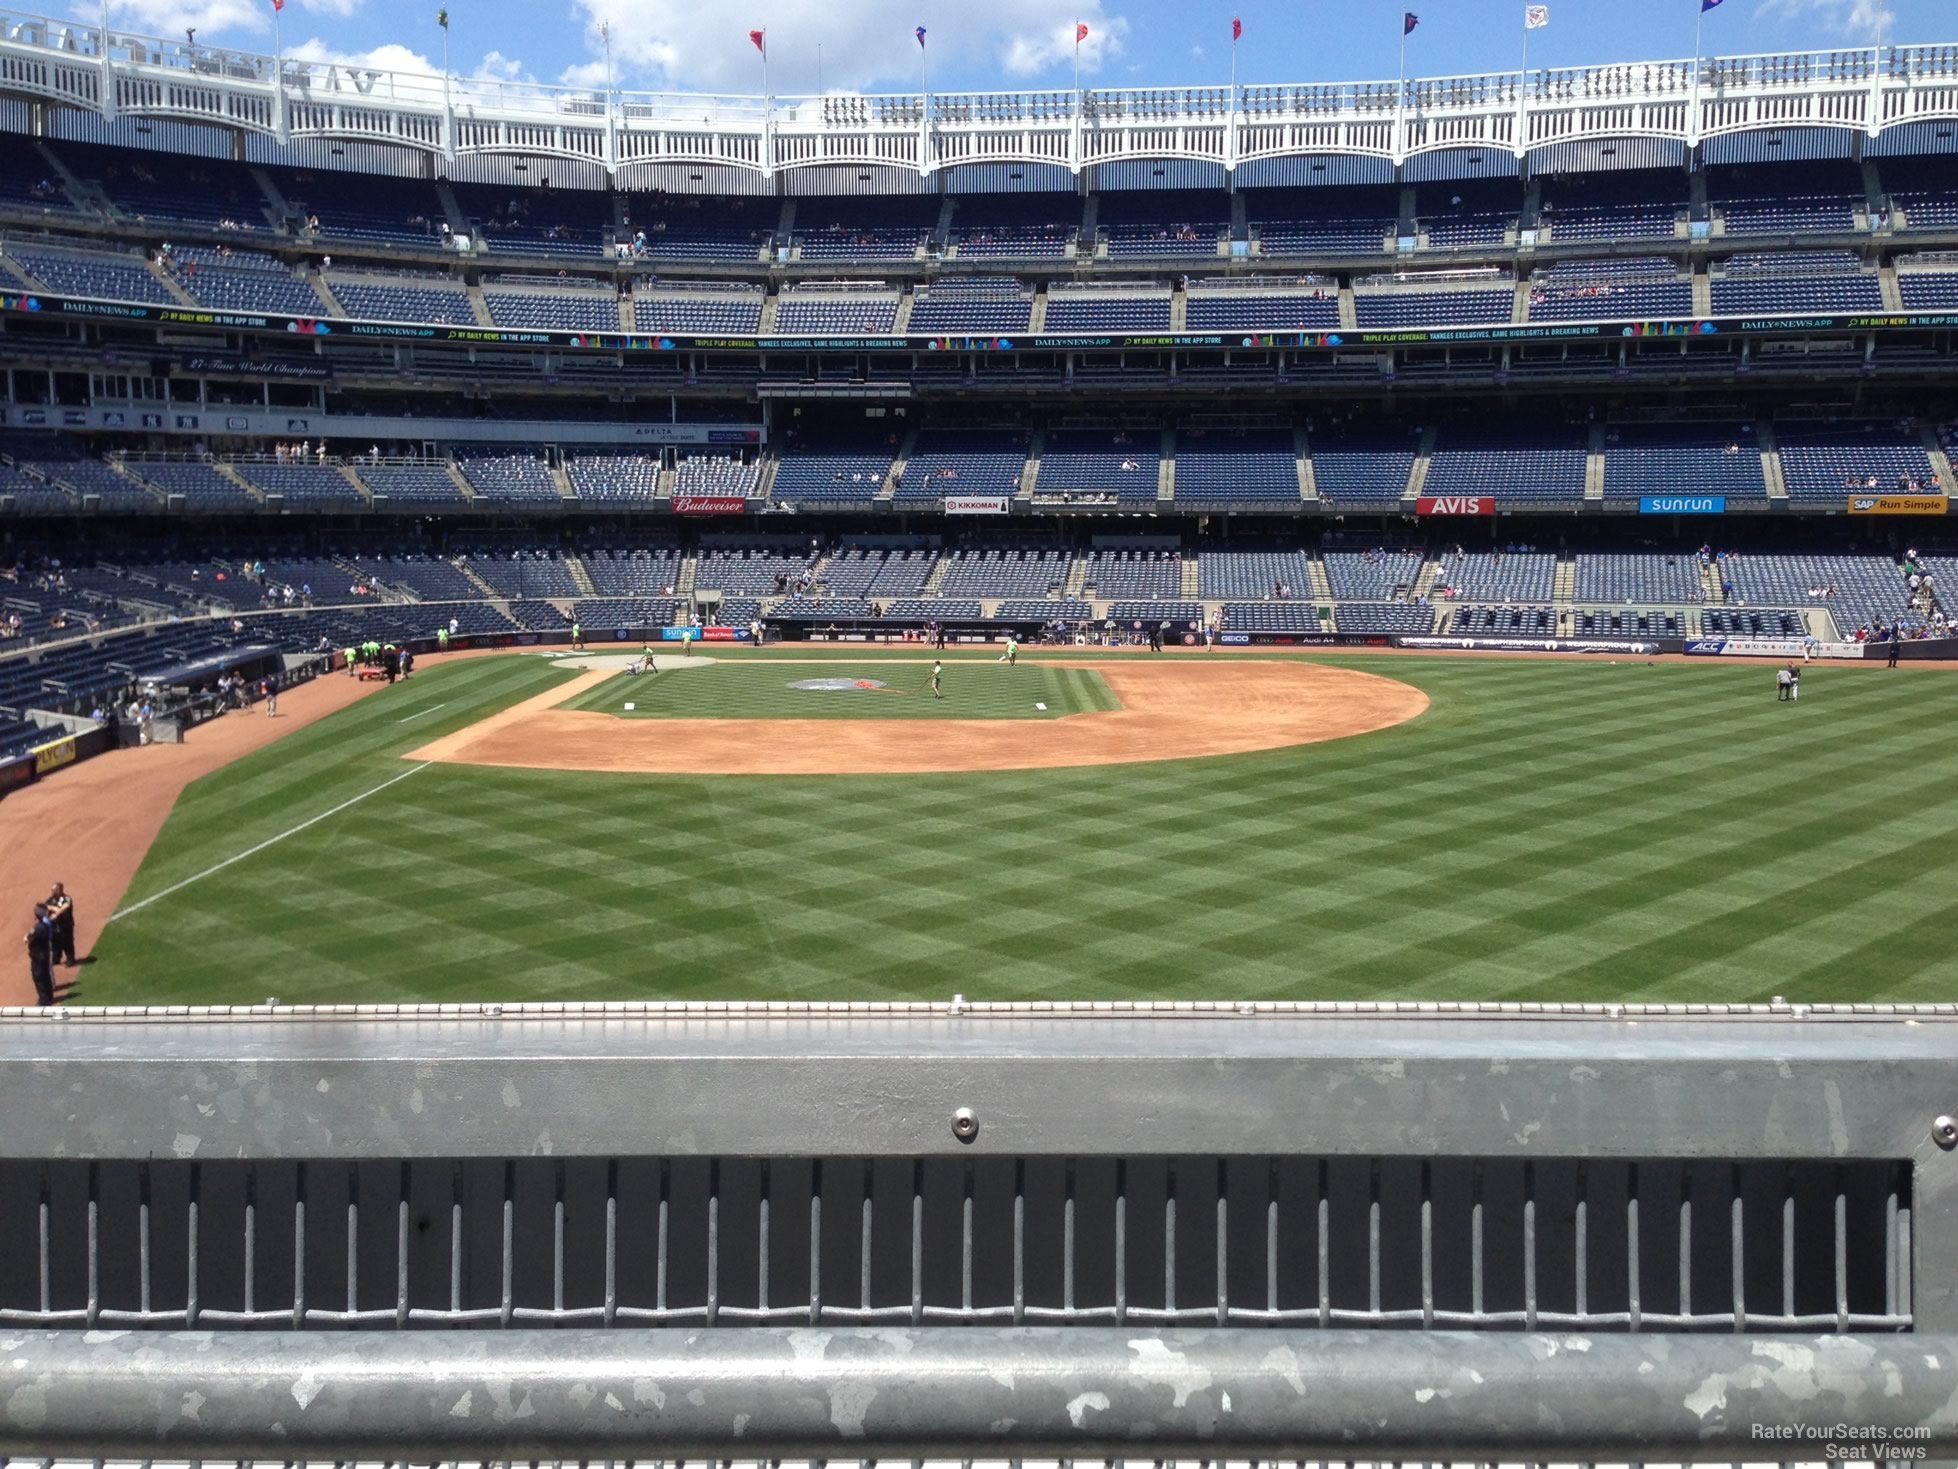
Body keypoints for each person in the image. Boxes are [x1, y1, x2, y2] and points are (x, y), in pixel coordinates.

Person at [24, 903, 55, 1007]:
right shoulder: (44, 924)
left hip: (38, 956)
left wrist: (26, 937)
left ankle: (44, 1000)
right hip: (44, 953)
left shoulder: (39, 927)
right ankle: (49, 997)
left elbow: (29, 939)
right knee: (45, 975)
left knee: (39, 976)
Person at [45, 883, 75, 967]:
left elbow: (66, 906)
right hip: (55, 925)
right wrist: (53, 908)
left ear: (59, 890)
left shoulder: (67, 898)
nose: (52, 891)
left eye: (53, 890)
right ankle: (56, 958)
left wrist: (57, 913)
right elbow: (46, 906)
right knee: (55, 942)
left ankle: (70, 958)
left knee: (67, 942)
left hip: (66, 925)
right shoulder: (50, 899)